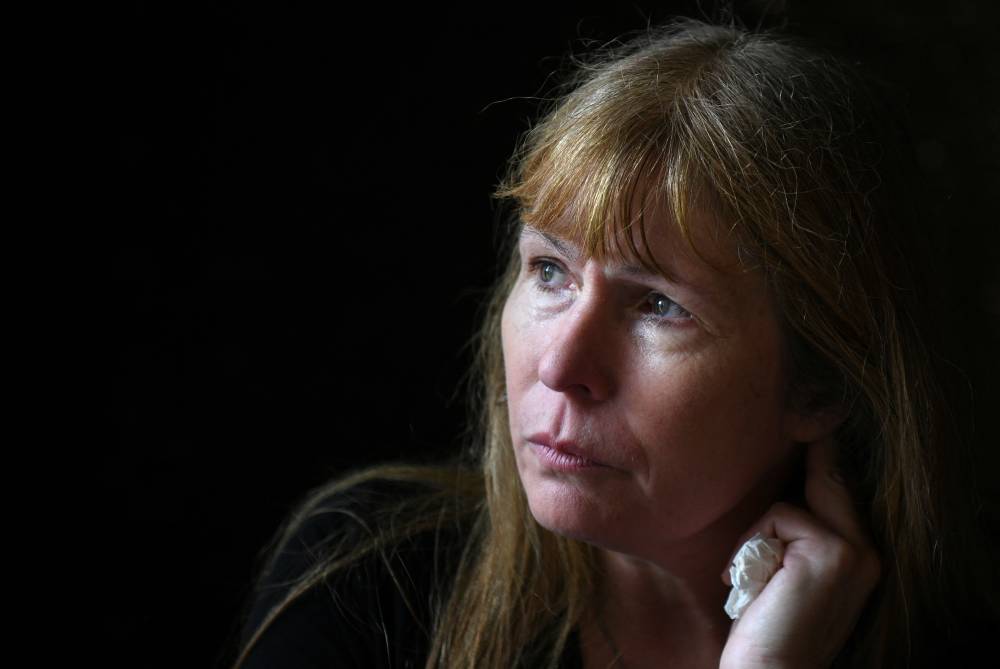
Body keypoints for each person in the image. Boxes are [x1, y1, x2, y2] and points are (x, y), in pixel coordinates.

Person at [231, 18, 994, 669]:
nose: (561, 366)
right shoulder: (365, 582)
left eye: (660, 305)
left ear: (820, 384)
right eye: (550, 270)